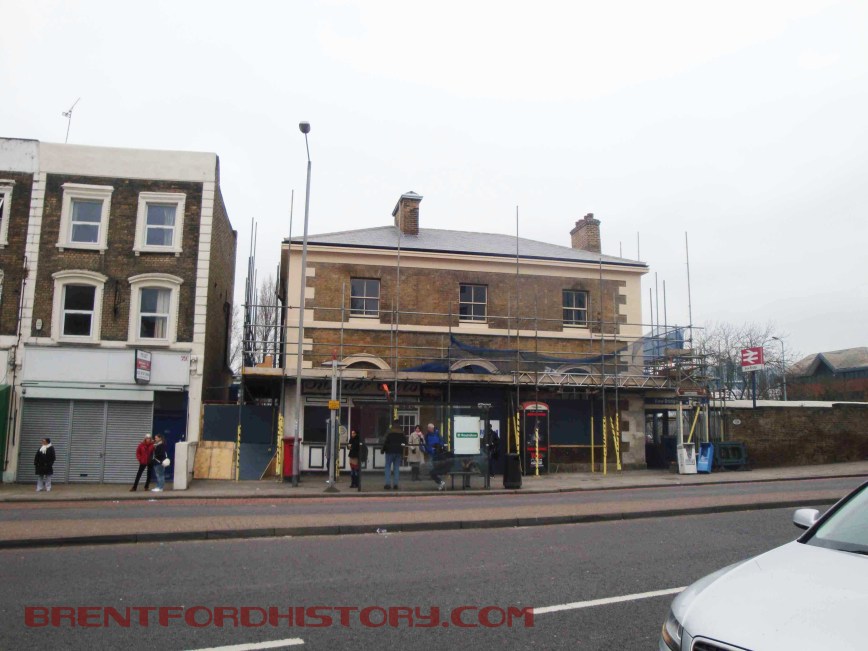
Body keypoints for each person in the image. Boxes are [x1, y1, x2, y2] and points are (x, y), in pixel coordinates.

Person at [382, 422, 405, 490]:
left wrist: (383, 450)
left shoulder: (389, 432)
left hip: (389, 451)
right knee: (396, 468)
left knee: (387, 467)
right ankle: (395, 484)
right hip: (398, 452)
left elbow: (385, 441)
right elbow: (405, 442)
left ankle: (387, 484)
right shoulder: (402, 433)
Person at [425, 423, 447, 491]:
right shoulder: (427, 435)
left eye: (430, 428)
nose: (429, 429)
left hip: (438, 454)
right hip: (432, 453)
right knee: (431, 467)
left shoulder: (437, 434)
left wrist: (438, 448)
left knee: (434, 469)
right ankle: (439, 481)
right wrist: (429, 450)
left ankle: (440, 481)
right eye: (429, 428)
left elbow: (441, 442)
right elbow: (426, 444)